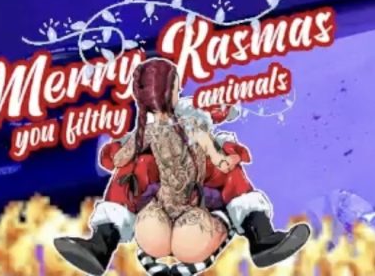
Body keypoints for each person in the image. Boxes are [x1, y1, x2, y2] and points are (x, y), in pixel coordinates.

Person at [53, 57, 309, 275]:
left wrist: (220, 151)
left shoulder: (187, 119)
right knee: (132, 170)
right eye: (176, 86)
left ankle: (260, 235)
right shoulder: (153, 131)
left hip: (195, 191)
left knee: (222, 175)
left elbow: (210, 139)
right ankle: (102, 243)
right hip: (164, 201)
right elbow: (122, 159)